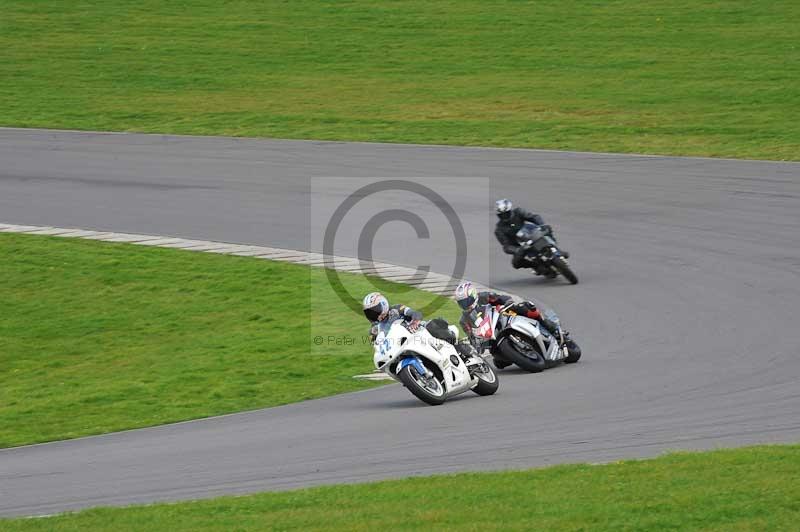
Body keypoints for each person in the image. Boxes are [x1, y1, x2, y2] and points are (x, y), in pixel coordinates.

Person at [362, 292, 477, 359]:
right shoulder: (374, 330)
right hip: (403, 347)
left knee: (433, 325)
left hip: (420, 332)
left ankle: (465, 350)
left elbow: (414, 313)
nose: (374, 314)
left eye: (375, 310)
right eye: (370, 313)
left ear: (384, 304)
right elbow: (378, 347)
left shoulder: (396, 309)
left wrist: (415, 322)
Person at [453, 282, 560, 344]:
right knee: (499, 363)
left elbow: (504, 299)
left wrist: (507, 304)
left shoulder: (484, 297)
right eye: (461, 303)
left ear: (473, 295)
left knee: (526, 308)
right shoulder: (464, 320)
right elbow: (471, 337)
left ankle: (550, 326)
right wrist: (474, 340)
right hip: (492, 337)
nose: (465, 305)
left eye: (466, 301)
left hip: (504, 316)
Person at [494, 198, 568, 269]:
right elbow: (506, 246)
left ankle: (556, 249)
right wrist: (517, 250)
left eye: (506, 213)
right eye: (501, 215)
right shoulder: (499, 229)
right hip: (521, 245)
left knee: (547, 228)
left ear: (510, 210)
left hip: (531, 233)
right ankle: (535, 266)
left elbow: (534, 217)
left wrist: (542, 225)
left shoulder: (518, 211)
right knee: (515, 263)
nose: (504, 216)